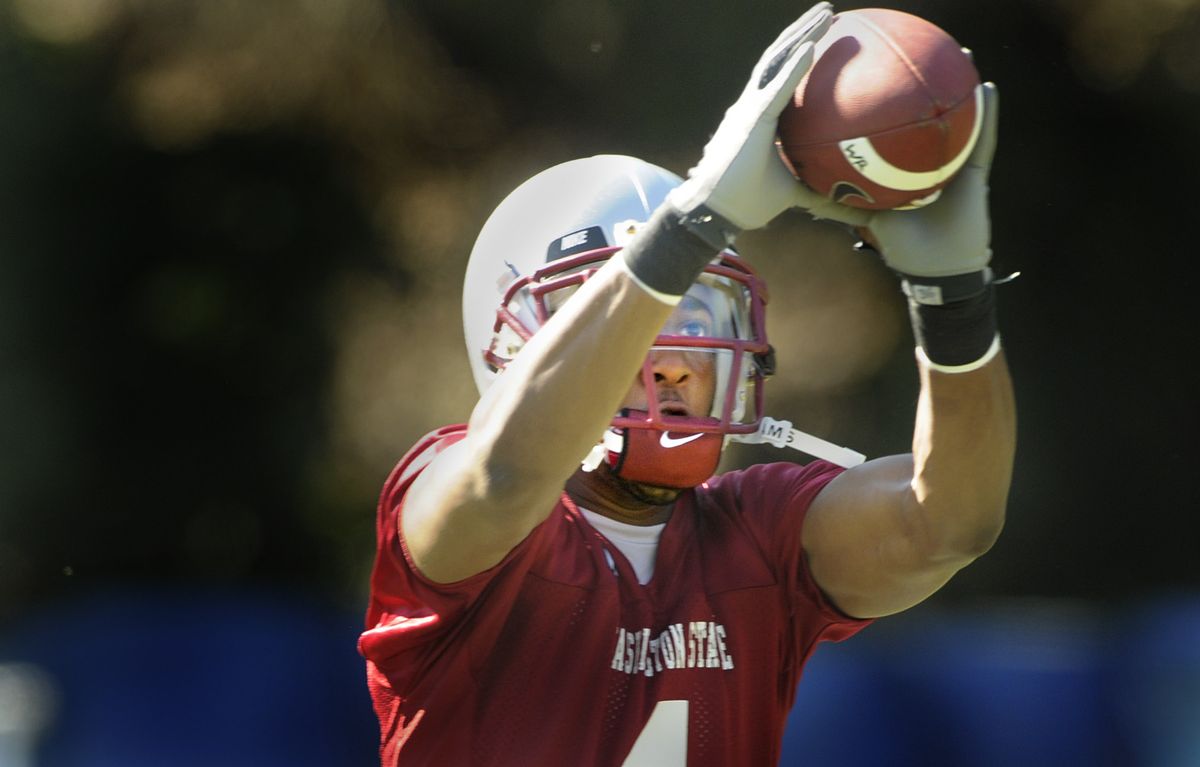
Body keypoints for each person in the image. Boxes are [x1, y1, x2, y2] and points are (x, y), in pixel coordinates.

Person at [358, 3, 1016, 765]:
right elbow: (506, 473)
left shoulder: (755, 537)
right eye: (624, 315)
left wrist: (955, 296)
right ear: (510, 348)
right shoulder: (448, 495)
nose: (673, 354)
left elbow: (952, 521)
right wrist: (689, 228)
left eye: (700, 310)